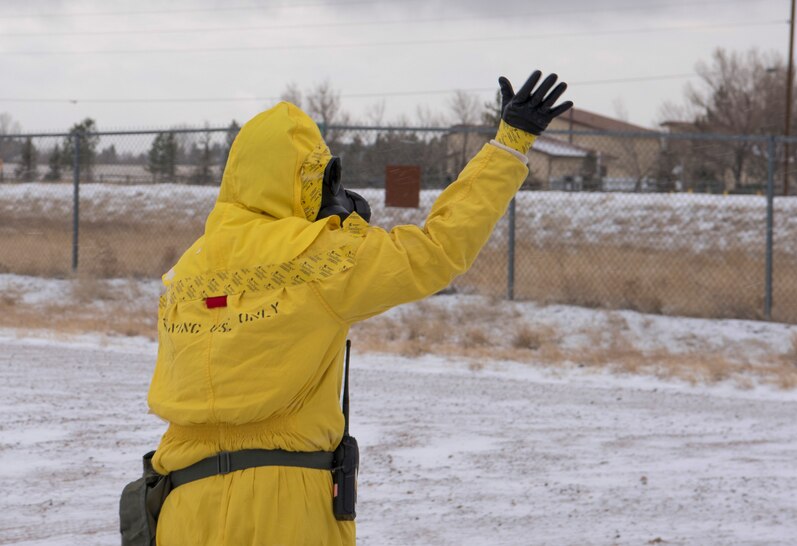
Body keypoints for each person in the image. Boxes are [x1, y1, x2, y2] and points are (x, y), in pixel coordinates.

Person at [146, 70, 572, 545]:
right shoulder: (319, 259)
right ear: (313, 178)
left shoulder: (187, 271)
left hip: (182, 508)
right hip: (283, 507)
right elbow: (438, 249)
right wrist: (509, 144)